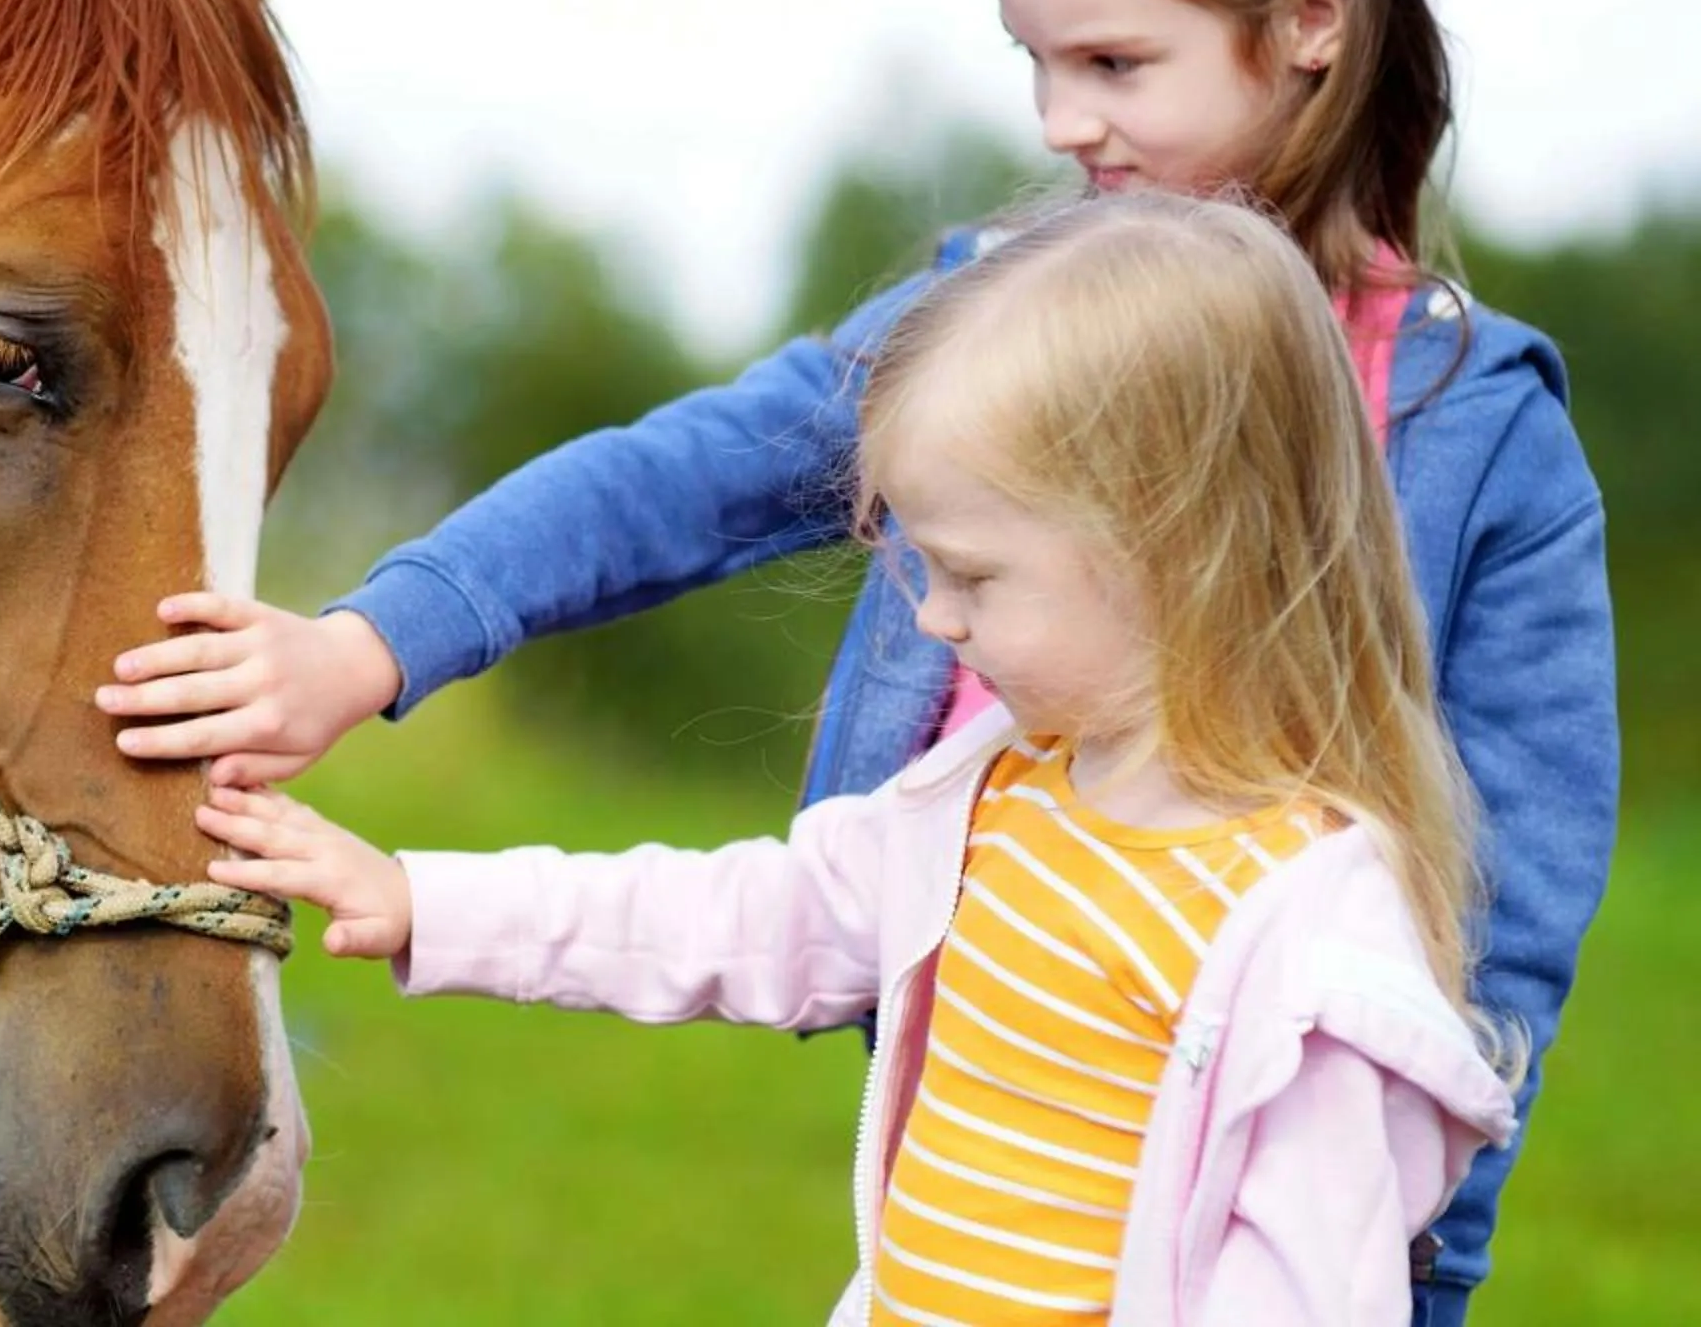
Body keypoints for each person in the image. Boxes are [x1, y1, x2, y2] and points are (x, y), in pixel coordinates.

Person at [98, 0, 1615, 1321]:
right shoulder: (990, 328)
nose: (1056, 123)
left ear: (1314, 17)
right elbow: (674, 484)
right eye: (1033, 60)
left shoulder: (1479, 432)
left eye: (1113, 62)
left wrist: (1420, 1259)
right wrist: (369, 643)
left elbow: (1493, 929)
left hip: (1262, 1159)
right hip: (993, 1084)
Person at [199, 194, 1521, 1323]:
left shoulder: (1317, 960)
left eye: (972, 574)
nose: (932, 620)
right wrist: (426, 901)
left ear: (1178, 551)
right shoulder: (991, 804)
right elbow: (743, 917)